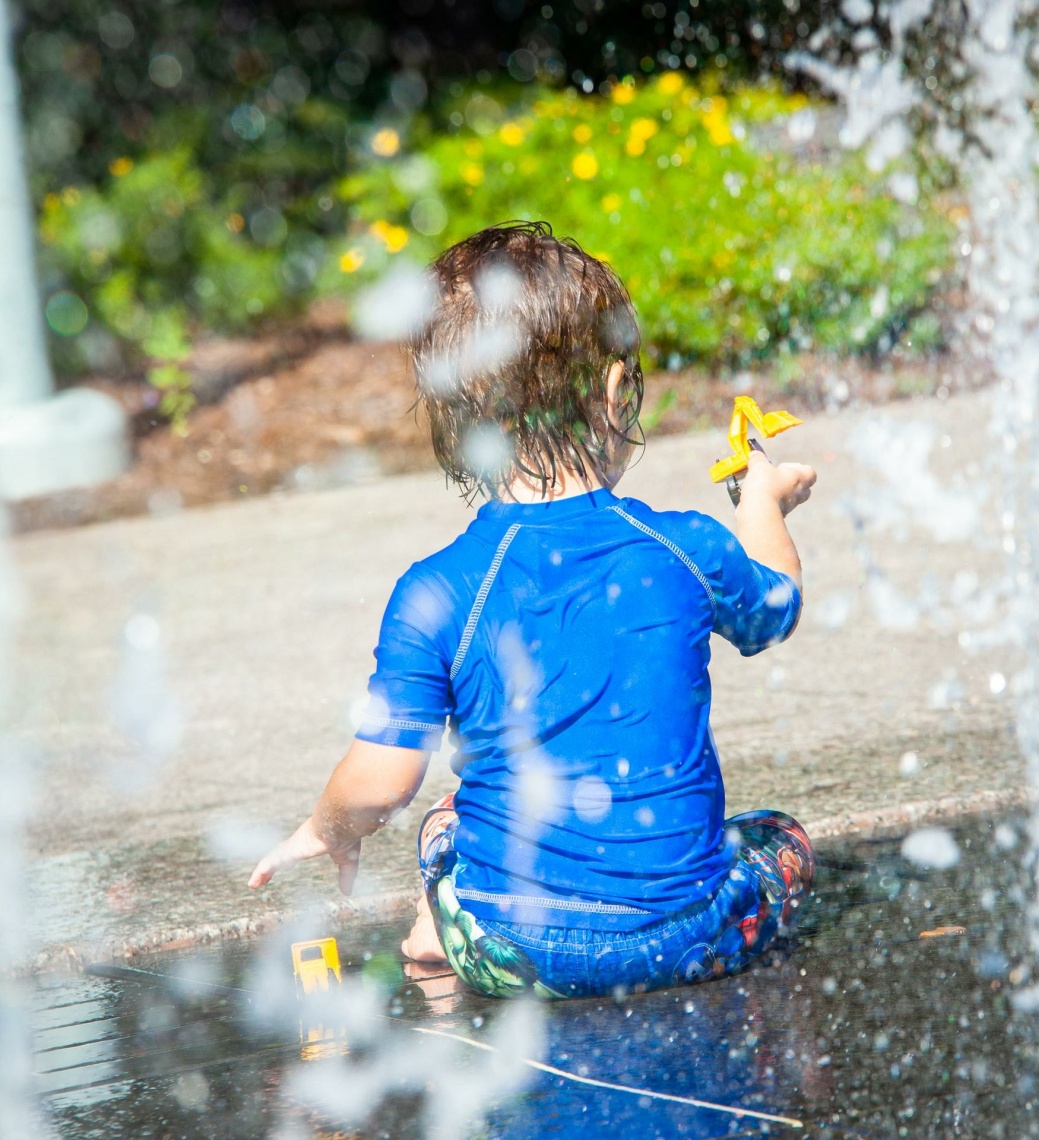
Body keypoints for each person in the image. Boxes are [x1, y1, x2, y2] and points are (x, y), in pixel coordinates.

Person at [249, 221, 817, 999]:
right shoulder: (682, 546)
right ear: (618, 395)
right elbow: (774, 605)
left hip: (513, 948)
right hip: (688, 937)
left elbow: (381, 782)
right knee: (782, 839)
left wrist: (326, 829)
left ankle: (434, 931)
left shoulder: (436, 589)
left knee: (446, 821)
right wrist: (763, 501)